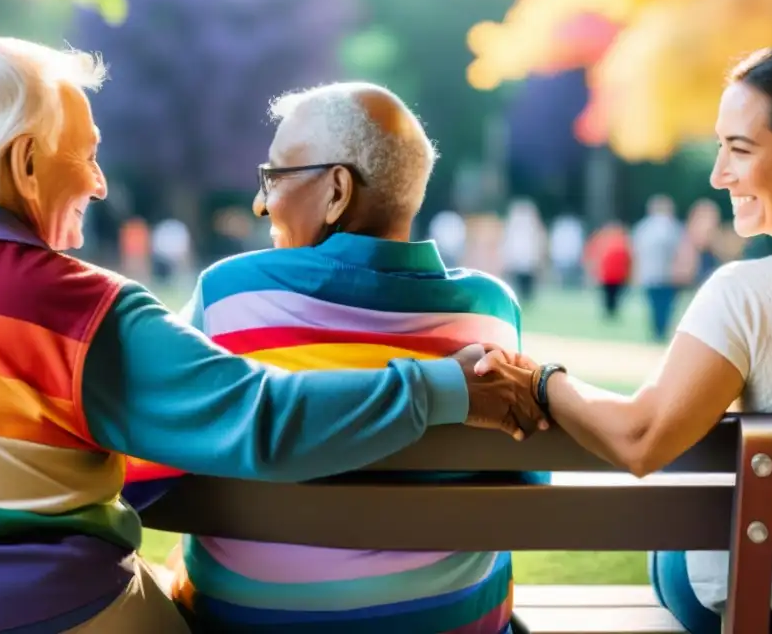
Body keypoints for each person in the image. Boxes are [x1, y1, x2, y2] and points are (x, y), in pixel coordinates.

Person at [0, 38, 543, 634]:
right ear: (25, 165)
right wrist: (440, 387)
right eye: (90, 156)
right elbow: (262, 417)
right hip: (53, 613)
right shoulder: (83, 311)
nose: (100, 185)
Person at [479, 41, 772, 634]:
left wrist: (542, 379)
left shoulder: (748, 293)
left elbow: (642, 438)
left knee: (687, 548)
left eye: (739, 149)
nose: (718, 173)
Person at [125, 82, 547, 634]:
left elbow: (140, 462)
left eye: (274, 177)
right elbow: (526, 486)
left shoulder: (232, 298)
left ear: (337, 191)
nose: (260, 201)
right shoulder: (490, 311)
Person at [631, 195, 686, 341]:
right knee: (666, 307)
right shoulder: (673, 227)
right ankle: (662, 331)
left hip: (650, 274)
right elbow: (681, 251)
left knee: (653, 306)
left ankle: (656, 332)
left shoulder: (643, 227)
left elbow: (636, 252)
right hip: (669, 275)